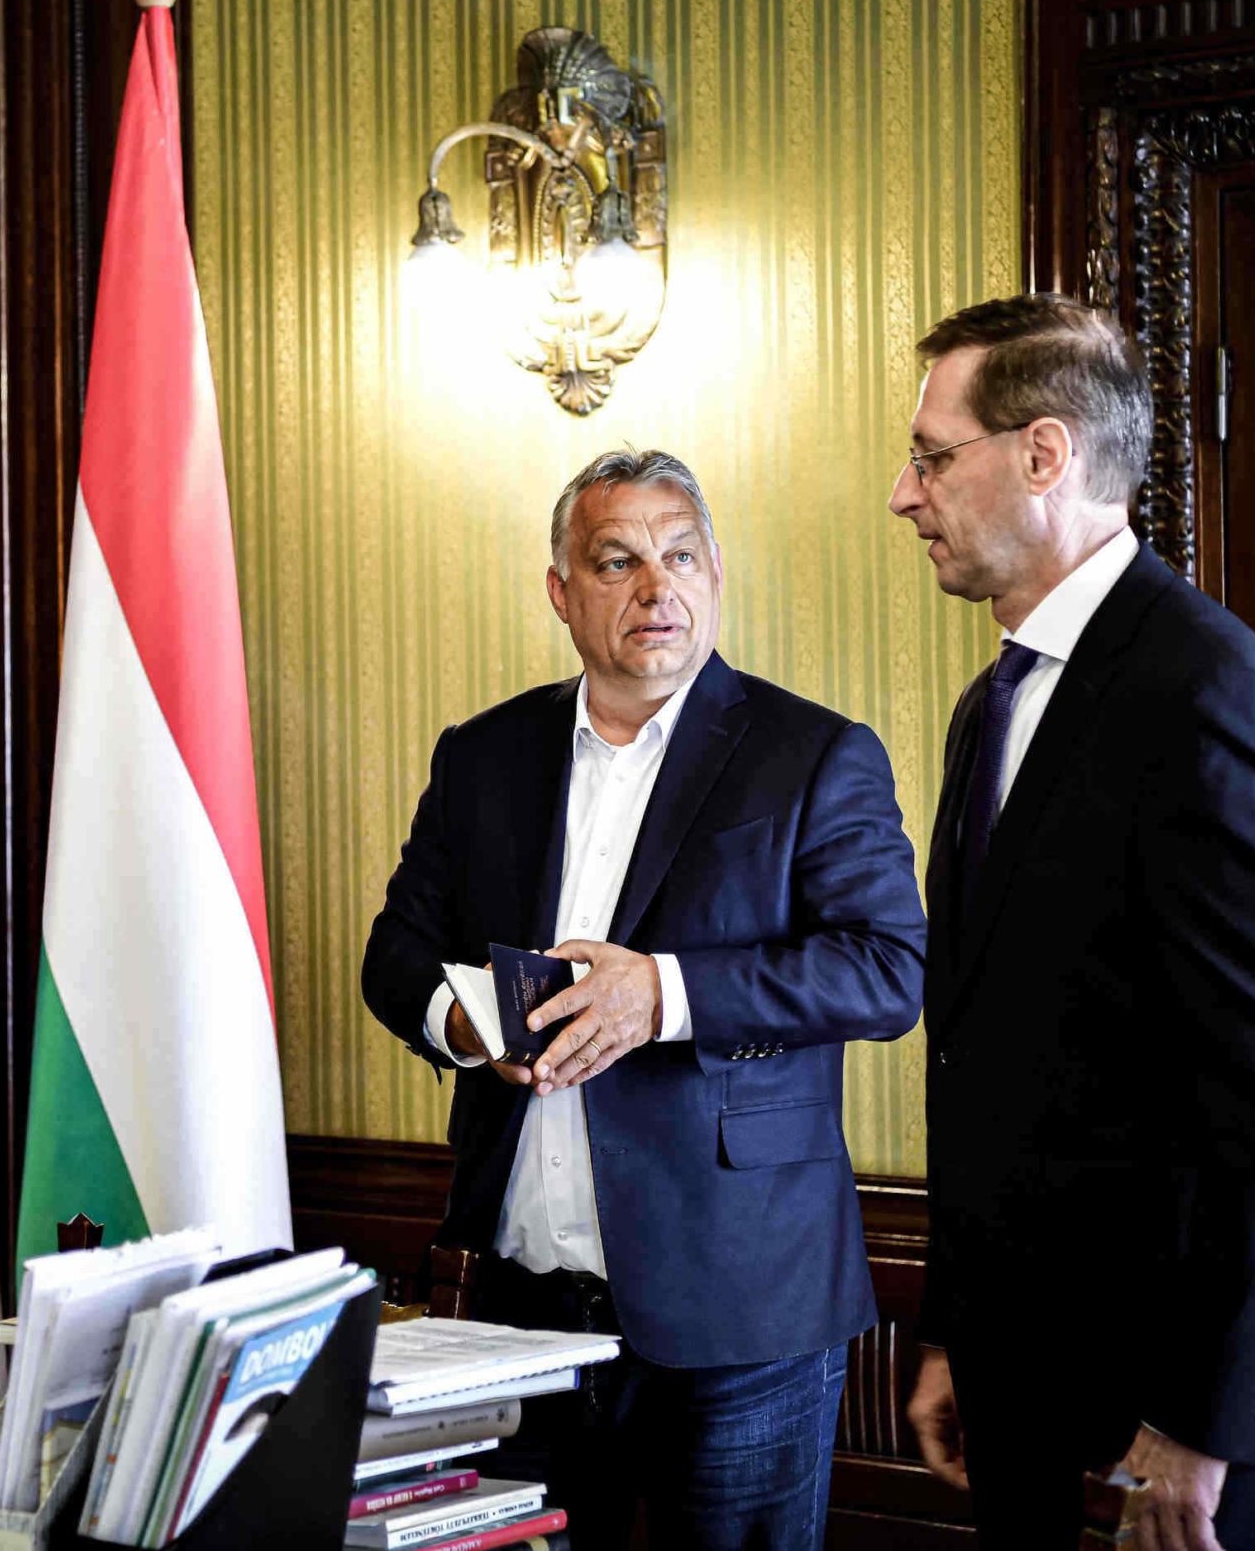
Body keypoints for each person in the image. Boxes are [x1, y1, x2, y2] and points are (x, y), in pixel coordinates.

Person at [887, 295, 1255, 1551]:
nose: (904, 495)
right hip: (1024, 1369)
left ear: (1042, 454)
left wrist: (1195, 1419)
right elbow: (984, 1056)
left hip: (1177, 1403)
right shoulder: (992, 703)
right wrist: (955, 1332)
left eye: (932, 457)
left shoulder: (1205, 689)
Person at [361, 448, 927, 1549]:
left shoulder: (812, 754)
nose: (655, 588)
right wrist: (462, 1023)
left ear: (716, 571)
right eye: (616, 561)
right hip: (517, 1313)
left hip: (742, 1311)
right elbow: (397, 955)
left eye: (680, 556)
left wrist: (660, 994)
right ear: (561, 591)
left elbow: (886, 969)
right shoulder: (483, 755)